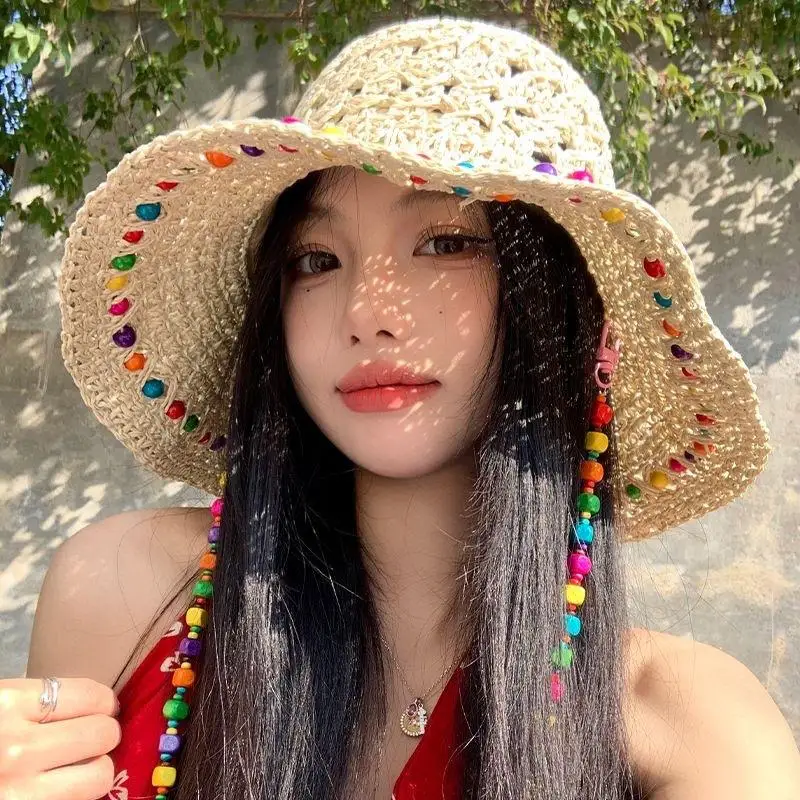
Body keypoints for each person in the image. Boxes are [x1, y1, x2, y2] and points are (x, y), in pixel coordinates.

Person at [2, 15, 798, 800]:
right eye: (316, 260)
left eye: (447, 243)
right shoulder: (124, 592)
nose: (364, 312)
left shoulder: (691, 728)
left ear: (572, 312)